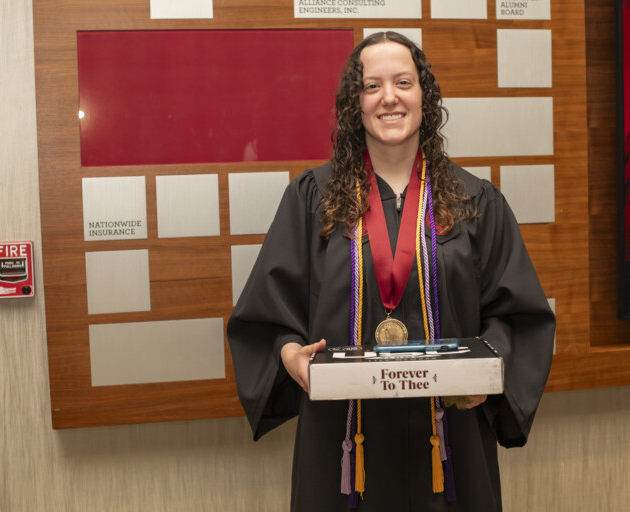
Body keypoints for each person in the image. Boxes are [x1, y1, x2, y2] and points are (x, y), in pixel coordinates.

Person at [227, 31, 555, 512]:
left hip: (450, 449)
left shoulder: (474, 202)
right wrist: (289, 354)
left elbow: (518, 316)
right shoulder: (312, 200)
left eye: (403, 82)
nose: (389, 97)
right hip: (342, 445)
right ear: (353, 103)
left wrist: (489, 368)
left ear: (425, 95)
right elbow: (268, 316)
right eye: (371, 85)